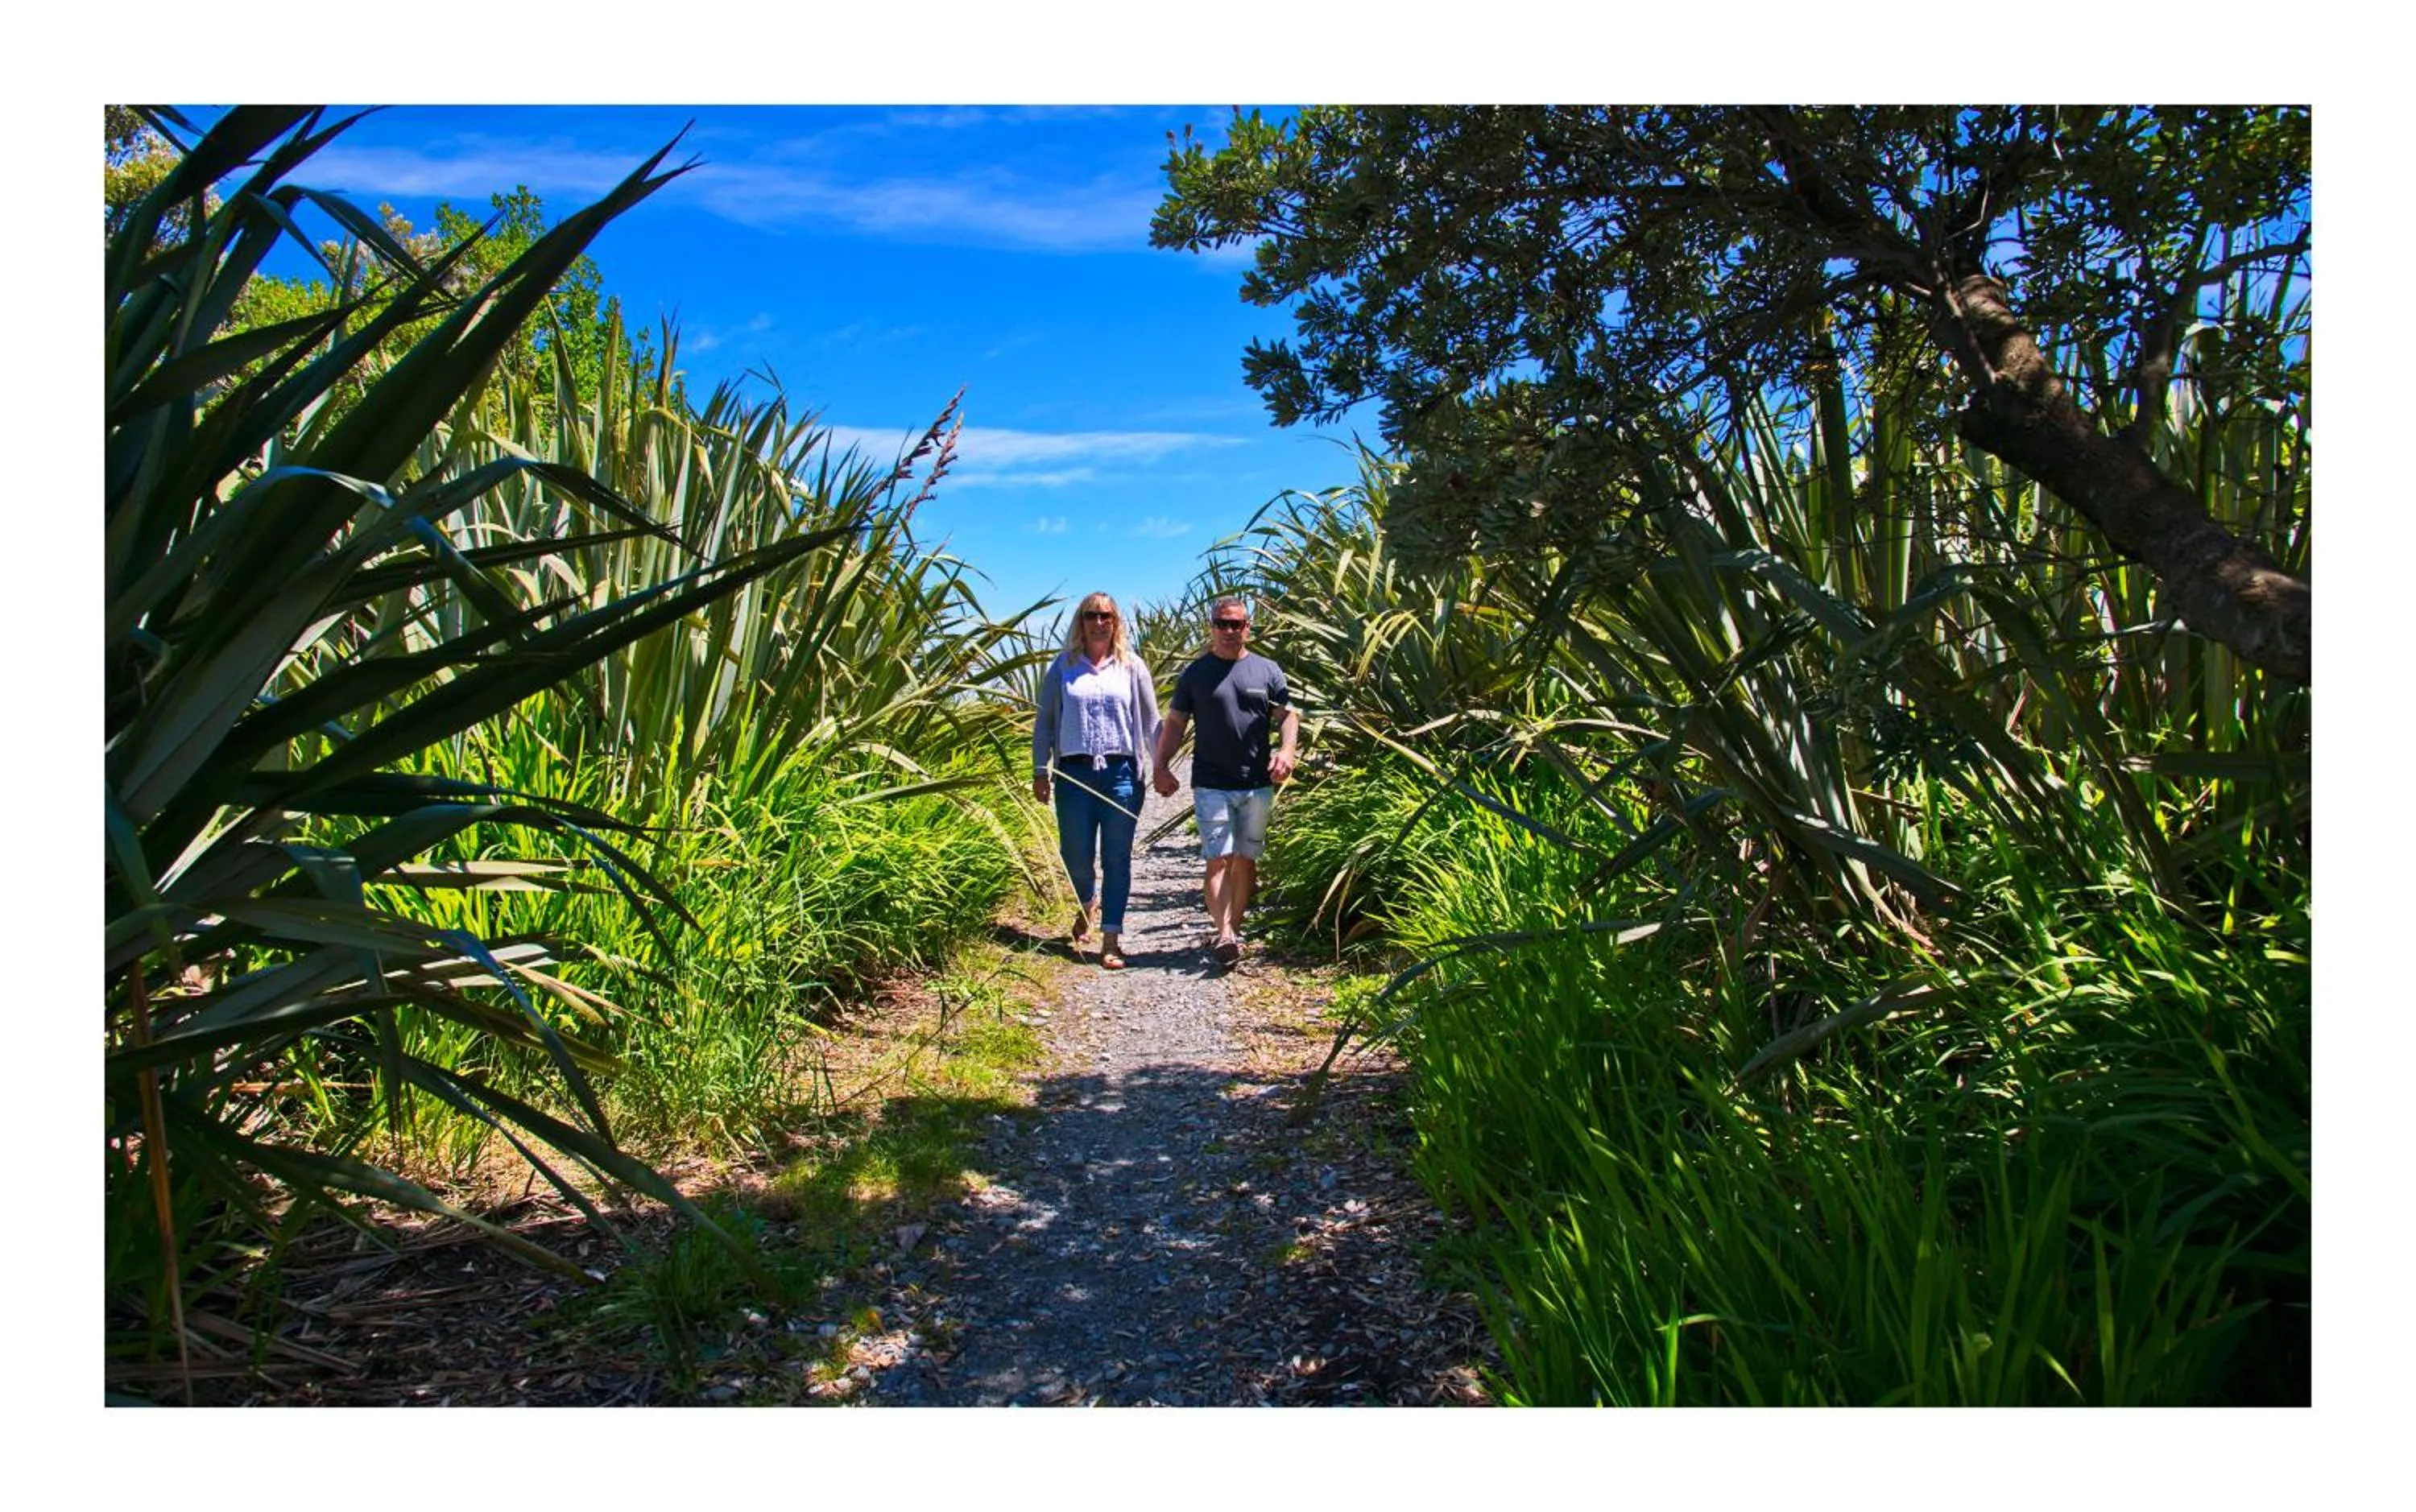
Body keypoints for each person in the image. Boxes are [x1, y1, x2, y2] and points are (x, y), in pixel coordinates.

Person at [1152, 595, 1297, 967]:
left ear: (1248, 627)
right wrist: (1161, 765)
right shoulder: (1196, 674)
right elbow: (1175, 725)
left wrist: (1287, 751)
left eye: (1237, 624)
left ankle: (1233, 927)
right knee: (1219, 858)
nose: (1230, 631)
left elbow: (1286, 716)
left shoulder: (1268, 671)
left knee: (1245, 861)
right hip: (1211, 782)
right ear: (1212, 627)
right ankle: (1225, 935)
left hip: (1255, 783)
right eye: (1222, 624)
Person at [1032, 592, 1160, 970]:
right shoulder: (1063, 667)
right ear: (1081, 621)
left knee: (1117, 857)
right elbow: (1046, 723)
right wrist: (1040, 770)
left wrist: (1163, 766)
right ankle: (1087, 899)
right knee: (1075, 854)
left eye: (1106, 615)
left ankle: (1111, 940)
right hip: (1074, 773)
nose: (1099, 622)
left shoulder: (1132, 666)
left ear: (1116, 621)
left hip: (1121, 773)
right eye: (1091, 615)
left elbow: (1152, 724)